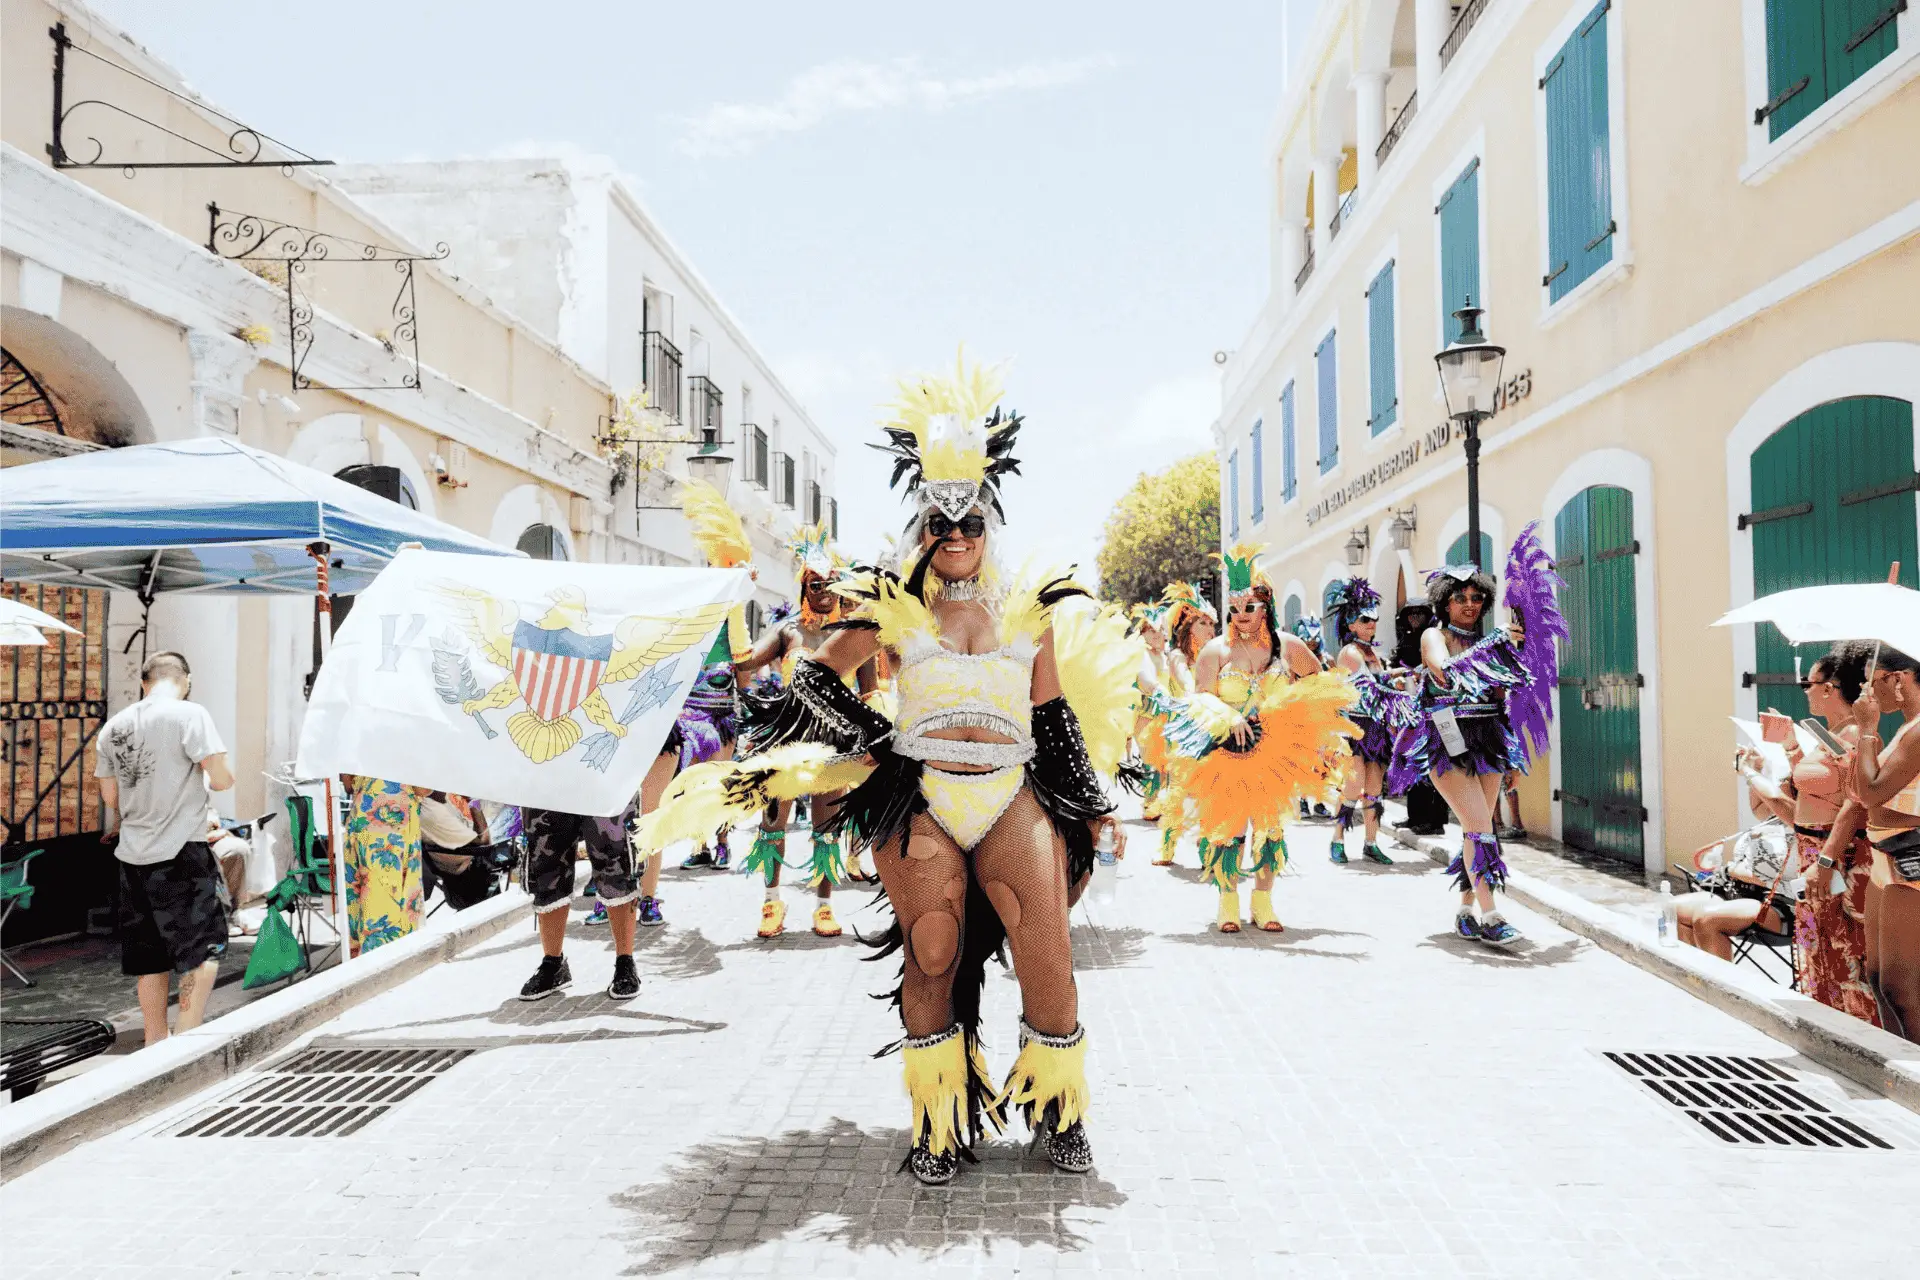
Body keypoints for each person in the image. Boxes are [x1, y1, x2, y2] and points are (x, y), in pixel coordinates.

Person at [635, 353, 1137, 1183]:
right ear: (923, 530)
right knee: (933, 951)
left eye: (971, 522)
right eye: (942, 526)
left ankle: (1058, 1111)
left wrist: (1087, 803)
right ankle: (938, 1120)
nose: (958, 537)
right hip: (925, 796)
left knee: (1048, 956)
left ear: (989, 522)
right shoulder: (893, 605)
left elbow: (1049, 714)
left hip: (1011, 790)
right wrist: (875, 737)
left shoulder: (1026, 607)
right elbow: (811, 672)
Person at [1387, 531, 1564, 949]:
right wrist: (1495, 644)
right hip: (1448, 743)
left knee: (1477, 830)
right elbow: (1443, 671)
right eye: (1460, 597)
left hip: (1489, 742)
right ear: (1445, 602)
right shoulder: (1435, 636)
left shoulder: (1497, 643)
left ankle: (1466, 910)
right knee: (1481, 827)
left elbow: (1505, 698)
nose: (1469, 604)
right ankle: (1492, 914)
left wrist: (1512, 757)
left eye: (1476, 597)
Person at [1166, 546, 1350, 933]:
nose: (1240, 616)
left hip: (1276, 753)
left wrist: (1313, 735)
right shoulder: (1216, 651)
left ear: (1265, 607)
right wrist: (1228, 716)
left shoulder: (1288, 646)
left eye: (1248, 607)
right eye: (1234, 609)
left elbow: (1318, 687)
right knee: (1229, 829)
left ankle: (1262, 901)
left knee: (1270, 829)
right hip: (1227, 752)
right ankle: (1227, 900)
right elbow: (1199, 698)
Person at [731, 525, 877, 938]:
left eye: (831, 583)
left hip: (833, 744)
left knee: (827, 827)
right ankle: (772, 903)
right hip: (786, 738)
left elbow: (871, 697)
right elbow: (744, 662)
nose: (824, 592)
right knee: (772, 824)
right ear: (803, 587)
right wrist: (738, 597)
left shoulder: (853, 634)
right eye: (815, 584)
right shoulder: (787, 632)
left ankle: (824, 907)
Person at [93, 652, 234, 1047]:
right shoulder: (190, 714)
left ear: (144, 682)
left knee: (148, 957)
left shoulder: (113, 728)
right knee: (202, 949)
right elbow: (222, 779)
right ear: (185, 680)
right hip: (180, 852)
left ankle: (156, 1040)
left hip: (132, 855)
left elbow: (110, 797)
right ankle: (186, 1040)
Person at [1737, 646, 1877, 1023]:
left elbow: (1851, 800)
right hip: (1815, 855)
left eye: (1808, 683)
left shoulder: (1852, 737)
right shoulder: (1833, 736)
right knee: (1823, 952)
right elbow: (1814, 798)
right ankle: (1832, 1028)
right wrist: (1791, 747)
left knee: (1845, 952)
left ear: (1830, 688)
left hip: (1837, 858)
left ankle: (1856, 1035)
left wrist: (1751, 775)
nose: (1804, 691)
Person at [1840, 643, 1920, 1041]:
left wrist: (1868, 729)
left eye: (1872, 683)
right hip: (1884, 853)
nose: (1865, 695)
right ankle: (1898, 1071)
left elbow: (1871, 794)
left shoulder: (1919, 730)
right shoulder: (1906, 727)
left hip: (1911, 856)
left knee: (1901, 989)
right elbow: (1861, 791)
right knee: (1876, 976)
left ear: (1899, 679)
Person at [1326, 577, 1394, 865]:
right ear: (1351, 623)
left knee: (1375, 789)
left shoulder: (1373, 653)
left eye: (1374, 620)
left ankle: (1370, 842)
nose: (1371, 625)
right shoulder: (1351, 653)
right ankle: (1338, 839)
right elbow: (1369, 689)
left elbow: (1384, 688)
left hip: (1376, 727)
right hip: (1355, 726)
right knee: (1353, 785)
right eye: (1365, 619)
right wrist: (1393, 683)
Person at [1672, 823, 1797, 960]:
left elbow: (1764, 878)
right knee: (1673, 909)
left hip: (1781, 906)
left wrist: (1732, 870)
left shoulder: (1810, 830)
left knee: (1707, 920)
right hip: (1738, 891)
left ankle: (1718, 980)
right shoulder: (1771, 820)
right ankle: (1694, 976)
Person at [340, 776, 424, 955]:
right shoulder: (413, 749)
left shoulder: (354, 747)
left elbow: (348, 783)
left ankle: (365, 958)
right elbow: (423, 789)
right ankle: (389, 958)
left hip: (364, 812)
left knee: (365, 889)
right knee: (392, 893)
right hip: (397, 819)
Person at [1390, 602, 1448, 836]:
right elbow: (1395, 668)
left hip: (1432, 710)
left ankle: (1435, 821)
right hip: (1410, 711)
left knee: (1433, 764)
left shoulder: (1435, 637)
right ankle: (1415, 816)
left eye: (1419, 614)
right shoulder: (1406, 640)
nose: (1414, 618)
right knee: (1413, 762)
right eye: (1410, 614)